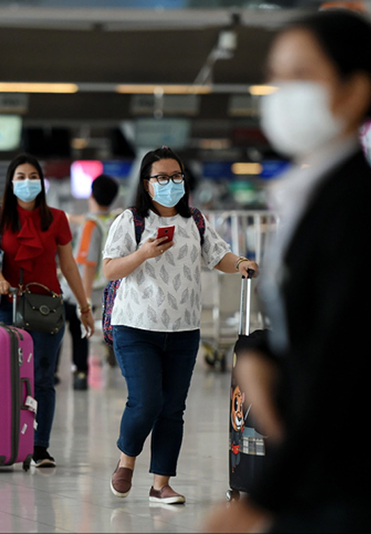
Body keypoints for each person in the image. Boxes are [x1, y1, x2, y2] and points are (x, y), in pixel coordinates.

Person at [205, 10, 371, 532]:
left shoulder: (356, 206)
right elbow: (311, 327)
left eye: (301, 75)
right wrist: (260, 355)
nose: (281, 92)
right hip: (326, 472)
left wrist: (256, 502)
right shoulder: (315, 195)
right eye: (276, 76)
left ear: (353, 92)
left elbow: (340, 367)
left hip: (365, 485)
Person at [103, 146, 258, 505]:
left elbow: (218, 255)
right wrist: (143, 253)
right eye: (162, 177)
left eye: (177, 176)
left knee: (173, 408)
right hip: (136, 327)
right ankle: (126, 458)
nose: (171, 183)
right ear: (146, 183)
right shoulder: (130, 220)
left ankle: (161, 484)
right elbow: (110, 269)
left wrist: (240, 263)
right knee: (146, 401)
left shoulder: (195, 221)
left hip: (184, 329)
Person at [0, 153, 95, 468]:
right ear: (11, 182)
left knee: (43, 378)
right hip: (9, 307)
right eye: (20, 177)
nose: (27, 182)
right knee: (6, 378)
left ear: (42, 183)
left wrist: (84, 306)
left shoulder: (56, 218)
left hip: (47, 308)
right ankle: (5, 442)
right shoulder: (0, 214)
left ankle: (39, 446)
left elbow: (68, 265)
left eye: (33, 177)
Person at [60, 174, 119, 390]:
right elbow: (85, 218)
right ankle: (81, 371)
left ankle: (60, 372)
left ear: (91, 195)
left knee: (61, 330)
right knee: (80, 332)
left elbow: (88, 263)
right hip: (98, 290)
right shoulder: (110, 220)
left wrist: (82, 299)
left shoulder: (90, 227)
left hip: (76, 291)